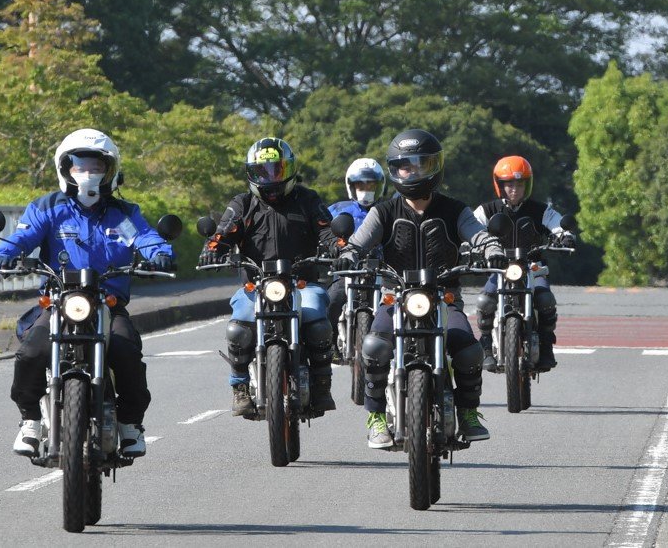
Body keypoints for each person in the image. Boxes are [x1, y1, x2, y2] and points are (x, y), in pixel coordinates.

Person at [0, 128, 174, 459]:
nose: (88, 174)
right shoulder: (49, 208)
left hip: (108, 304)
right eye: (80, 166)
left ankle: (130, 425)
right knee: (31, 353)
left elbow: (145, 237)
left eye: (97, 167)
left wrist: (159, 251)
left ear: (110, 171)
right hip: (58, 302)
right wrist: (4, 254)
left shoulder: (123, 214)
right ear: (65, 169)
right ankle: (30, 420)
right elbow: (22, 238)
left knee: (127, 350)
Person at [334, 129, 506, 449]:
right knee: (374, 347)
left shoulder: (455, 210)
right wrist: (348, 255)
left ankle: (468, 412)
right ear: (394, 170)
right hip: (395, 297)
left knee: (467, 349)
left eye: (420, 165)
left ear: (435, 167)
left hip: (444, 296)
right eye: (405, 166)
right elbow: (359, 241)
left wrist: (491, 248)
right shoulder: (383, 211)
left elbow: (477, 233)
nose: (412, 172)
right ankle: (376, 418)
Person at [198, 137, 337, 417]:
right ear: (251, 173)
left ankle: (322, 384)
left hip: (302, 282)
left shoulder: (308, 199)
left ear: (290, 170)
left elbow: (327, 231)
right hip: (256, 285)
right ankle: (239, 387)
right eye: (263, 172)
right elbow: (221, 236)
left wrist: (340, 248)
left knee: (318, 320)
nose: (271, 178)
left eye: (277, 170)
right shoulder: (242, 204)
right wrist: (211, 251)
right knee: (239, 326)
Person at [473, 155, 576, 373]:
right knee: (484, 301)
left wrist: (564, 235)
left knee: (545, 298)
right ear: (499, 185)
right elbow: (471, 230)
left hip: (533, 267)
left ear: (527, 185)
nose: (514, 189)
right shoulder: (486, 211)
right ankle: (486, 348)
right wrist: (466, 245)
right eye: (509, 184)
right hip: (500, 268)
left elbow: (557, 223)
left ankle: (547, 347)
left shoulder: (540, 210)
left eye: (519, 184)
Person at [326, 158, 387, 358]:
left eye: (371, 184)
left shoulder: (389, 209)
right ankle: (330, 340)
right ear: (351, 186)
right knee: (333, 299)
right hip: (349, 270)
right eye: (360, 184)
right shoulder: (337, 210)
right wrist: (332, 249)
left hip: (383, 270)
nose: (366, 188)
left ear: (380, 186)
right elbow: (324, 233)